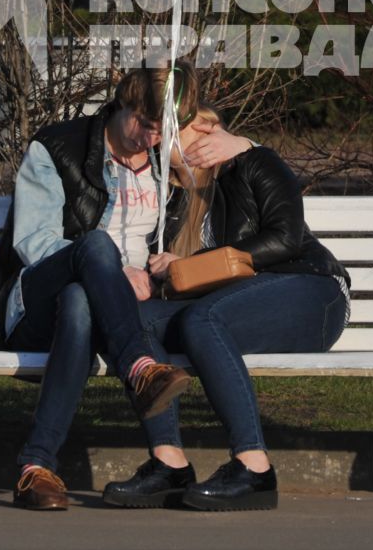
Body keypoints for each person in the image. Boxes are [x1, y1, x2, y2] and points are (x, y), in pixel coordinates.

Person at [0, 65, 204, 511]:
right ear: (123, 102)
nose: (149, 139)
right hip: (37, 302)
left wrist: (167, 263)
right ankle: (140, 368)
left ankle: (34, 469)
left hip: (107, 312)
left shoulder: (163, 158)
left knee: (81, 301)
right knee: (94, 249)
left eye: (160, 132)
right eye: (144, 125)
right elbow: (33, 242)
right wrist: (111, 269)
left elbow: (222, 173)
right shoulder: (56, 148)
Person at [100, 108, 350, 512]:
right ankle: (169, 464)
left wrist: (250, 147)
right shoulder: (170, 200)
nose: (164, 141)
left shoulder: (250, 163)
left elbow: (285, 239)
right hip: (232, 306)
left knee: (204, 319)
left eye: (176, 130)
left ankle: (254, 468)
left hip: (310, 289)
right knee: (134, 322)